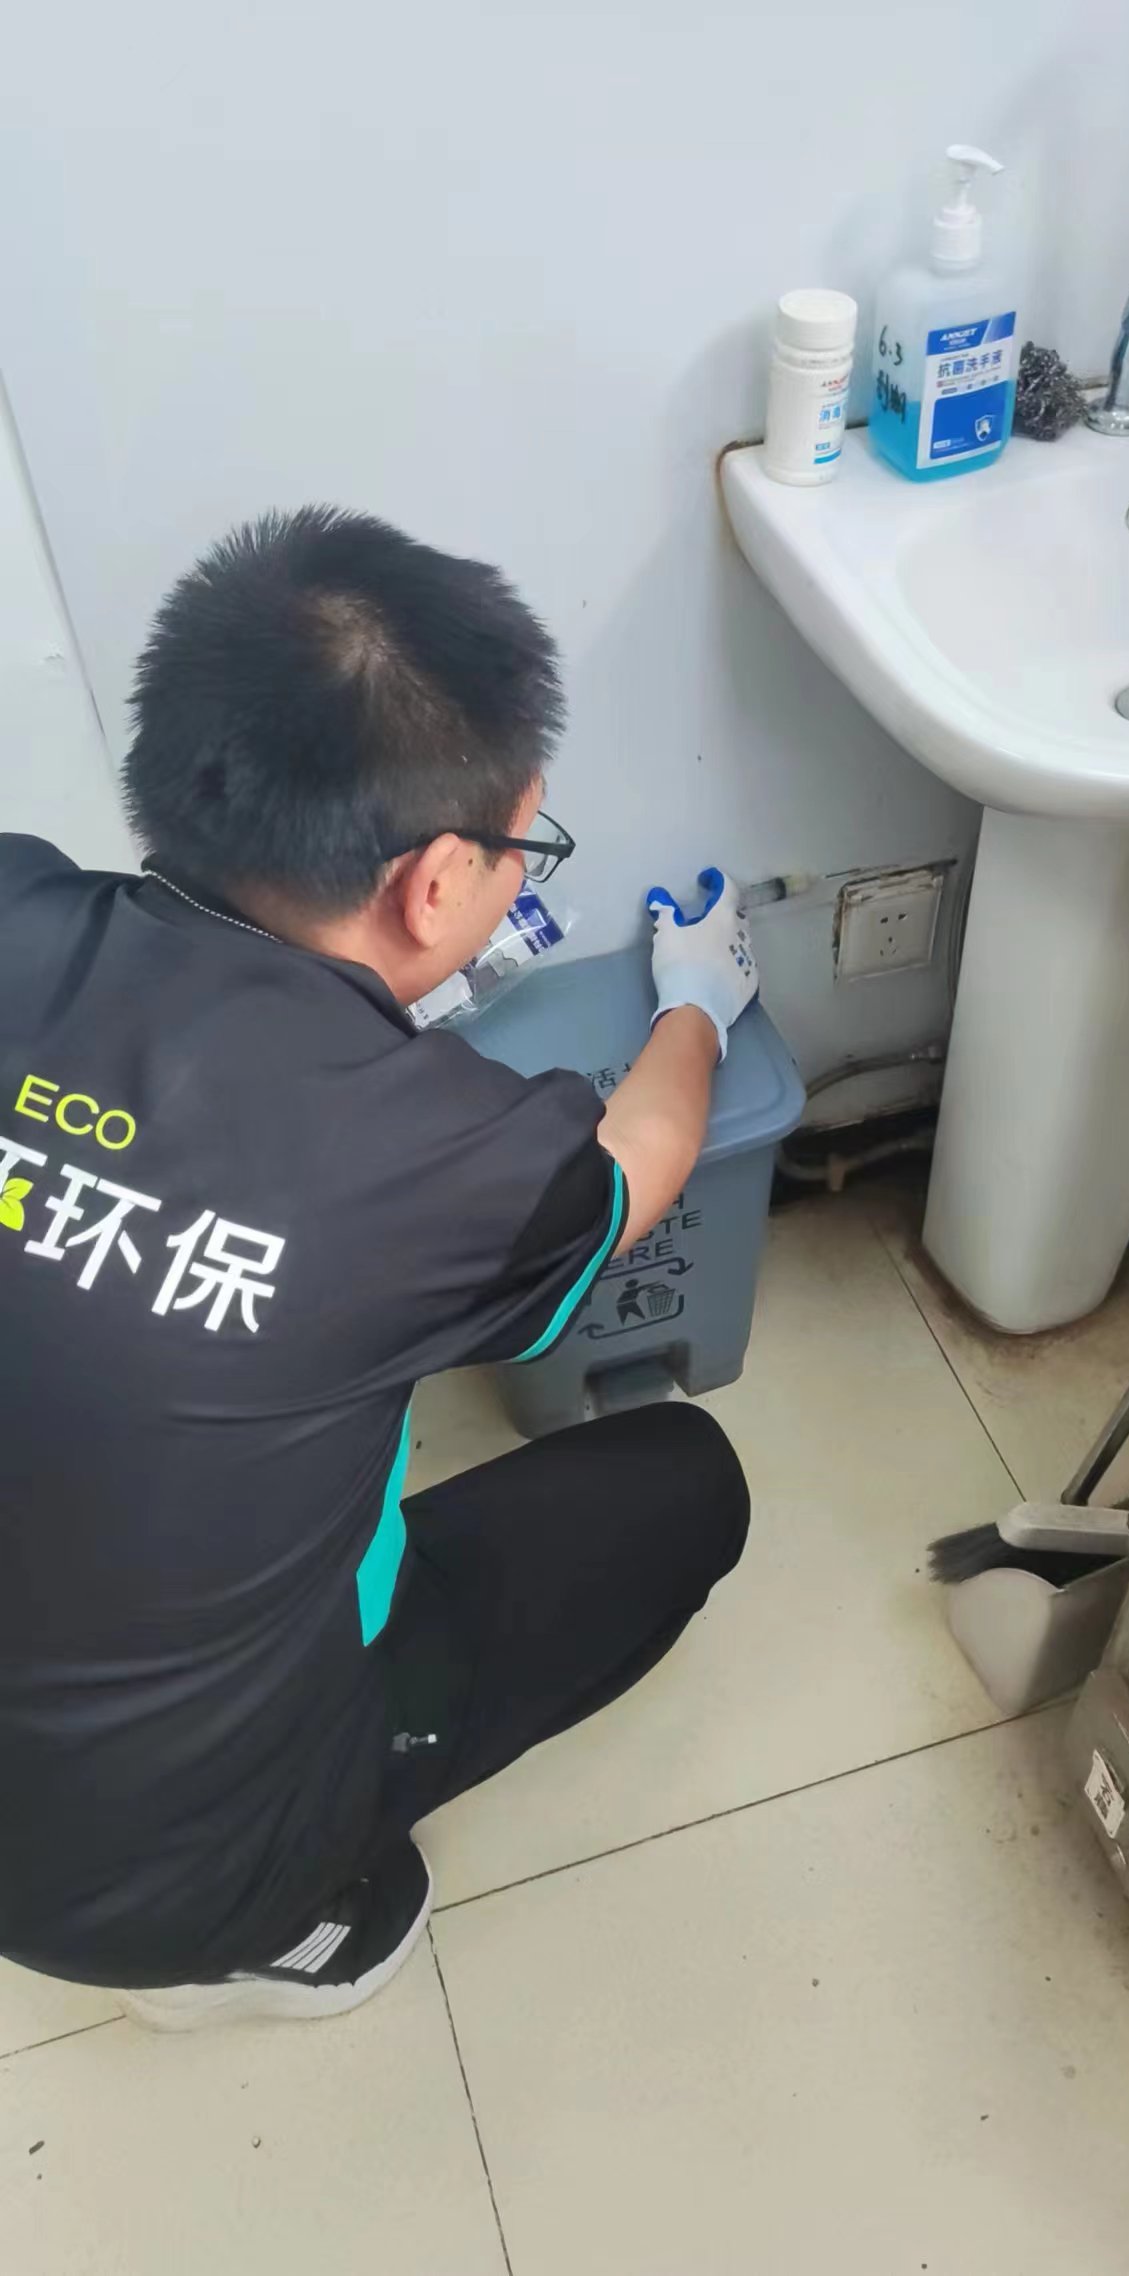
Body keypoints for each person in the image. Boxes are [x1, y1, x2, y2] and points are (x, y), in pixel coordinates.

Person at [0, 508, 757, 2029]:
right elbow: (641, 1162)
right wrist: (698, 1005)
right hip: (154, 1878)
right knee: (686, 1484)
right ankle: (285, 1933)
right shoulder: (453, 1164)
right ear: (437, 883)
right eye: (521, 848)